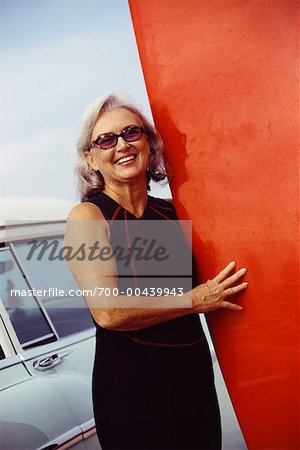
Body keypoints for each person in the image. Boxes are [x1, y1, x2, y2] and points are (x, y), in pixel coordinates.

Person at [65, 93, 248, 449]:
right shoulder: (88, 217)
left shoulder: (173, 212)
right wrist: (194, 300)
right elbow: (109, 311)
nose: (122, 145)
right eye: (106, 139)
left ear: (149, 142)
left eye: (132, 132)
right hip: (132, 394)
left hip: (193, 381)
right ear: (91, 157)